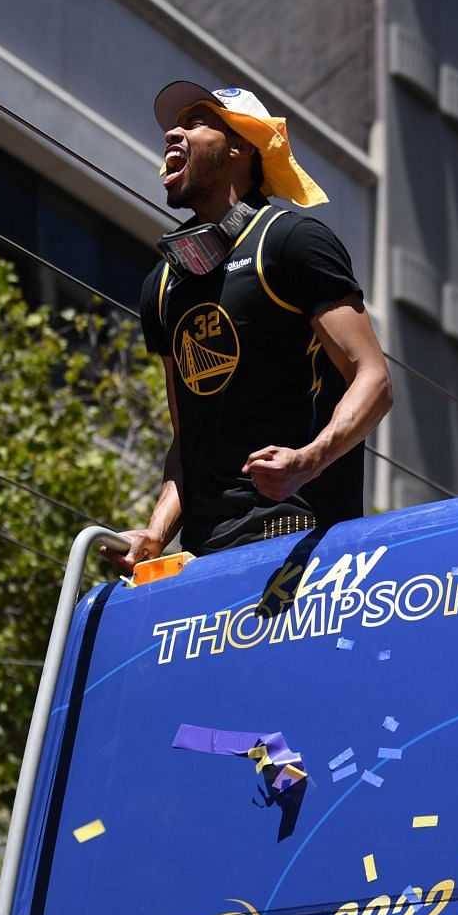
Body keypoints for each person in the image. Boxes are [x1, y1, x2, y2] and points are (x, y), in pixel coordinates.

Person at [107, 80, 393, 571]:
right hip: (204, 557)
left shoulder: (291, 242)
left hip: (303, 539)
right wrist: (155, 536)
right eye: (173, 128)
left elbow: (374, 380)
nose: (173, 135)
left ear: (240, 146)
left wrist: (308, 461)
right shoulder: (161, 286)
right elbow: (186, 439)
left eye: (194, 124)